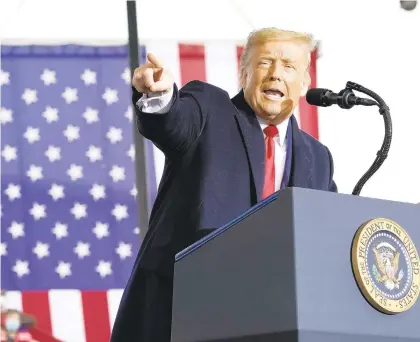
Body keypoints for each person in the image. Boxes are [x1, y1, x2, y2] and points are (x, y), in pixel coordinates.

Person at [111, 27, 337, 342]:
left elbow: (330, 239)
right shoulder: (209, 109)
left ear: (305, 84)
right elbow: (173, 121)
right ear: (243, 74)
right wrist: (159, 95)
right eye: (264, 63)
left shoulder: (318, 158)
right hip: (183, 312)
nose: (275, 74)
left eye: (288, 66)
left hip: (273, 321)